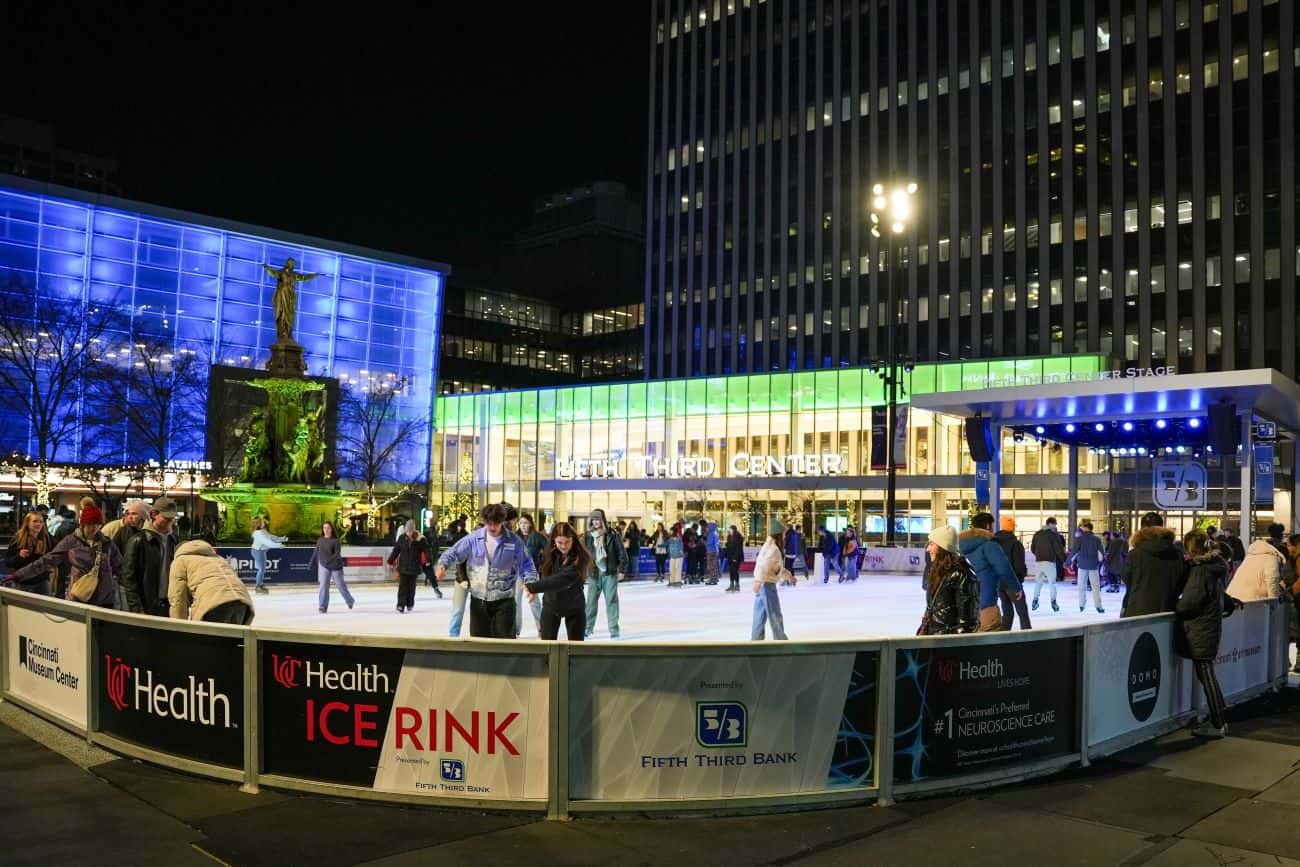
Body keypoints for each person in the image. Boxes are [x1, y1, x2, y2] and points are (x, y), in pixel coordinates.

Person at [436, 502, 538, 639]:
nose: (492, 527)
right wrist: (442, 565)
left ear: (502, 521)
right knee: (480, 645)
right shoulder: (473, 539)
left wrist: (531, 584)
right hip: (479, 600)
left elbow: (527, 564)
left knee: (505, 645)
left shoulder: (513, 541)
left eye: (496, 523)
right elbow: (453, 552)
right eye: (488, 523)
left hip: (504, 600)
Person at [1177, 528, 1235, 738]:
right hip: (1209, 625)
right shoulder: (1214, 567)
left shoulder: (1201, 571)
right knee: (1207, 672)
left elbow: (1190, 603)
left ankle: (1218, 722)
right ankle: (1219, 718)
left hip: (1200, 627)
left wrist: (1176, 606)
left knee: (1206, 673)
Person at [9, 505, 121, 608]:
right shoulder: (71, 541)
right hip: (79, 596)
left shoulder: (107, 543)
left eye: (97, 525)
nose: (94, 528)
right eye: (90, 524)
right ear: (83, 524)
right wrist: (19, 575)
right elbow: (47, 561)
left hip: (105, 599)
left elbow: (121, 567)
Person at [524, 521, 591, 640]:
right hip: (551, 604)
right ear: (554, 540)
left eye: (567, 542)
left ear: (573, 540)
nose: (564, 546)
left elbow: (561, 580)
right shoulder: (549, 553)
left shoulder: (580, 557)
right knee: (547, 647)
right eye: (560, 542)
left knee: (575, 648)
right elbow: (543, 574)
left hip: (574, 606)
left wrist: (533, 587)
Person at [959, 513, 1023, 632]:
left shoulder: (962, 547)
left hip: (966, 607)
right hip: (986, 604)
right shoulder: (989, 545)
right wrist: (1015, 587)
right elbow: (1004, 568)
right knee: (990, 642)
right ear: (988, 526)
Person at [168, 539, 255, 624]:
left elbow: (178, 597)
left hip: (214, 603)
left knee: (209, 637)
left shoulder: (180, 560)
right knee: (232, 638)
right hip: (242, 602)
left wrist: (179, 628)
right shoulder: (218, 558)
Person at [121, 497, 179, 617]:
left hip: (169, 603)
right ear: (153, 515)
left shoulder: (173, 540)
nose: (170, 522)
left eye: (172, 519)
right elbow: (129, 578)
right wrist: (136, 609)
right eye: (166, 518)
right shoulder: (138, 540)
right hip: (147, 605)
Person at [1121, 512, 1188, 617]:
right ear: (1162, 527)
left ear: (1141, 530)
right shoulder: (1177, 554)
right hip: (1168, 610)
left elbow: (1127, 578)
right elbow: (1182, 582)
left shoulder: (1135, 554)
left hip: (1138, 611)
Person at [920, 526, 979, 635]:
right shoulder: (937, 571)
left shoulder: (962, 574)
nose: (928, 549)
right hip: (933, 639)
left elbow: (967, 623)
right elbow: (932, 609)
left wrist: (952, 645)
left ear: (943, 547)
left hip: (947, 644)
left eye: (932, 544)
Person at [582, 508, 627, 638]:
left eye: (598, 519)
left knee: (611, 601)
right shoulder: (587, 536)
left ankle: (614, 629)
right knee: (590, 603)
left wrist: (622, 570)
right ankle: (587, 628)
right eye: (594, 519)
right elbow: (582, 555)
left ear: (603, 520)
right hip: (594, 573)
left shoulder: (612, 535)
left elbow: (622, 553)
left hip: (609, 573)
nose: (596, 522)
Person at [504, 504, 542, 637]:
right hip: (517, 574)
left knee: (534, 601)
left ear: (531, 524)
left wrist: (541, 565)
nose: (523, 525)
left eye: (526, 523)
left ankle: (542, 628)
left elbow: (548, 550)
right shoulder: (514, 536)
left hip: (531, 572)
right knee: (516, 601)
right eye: (521, 523)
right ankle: (516, 629)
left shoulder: (537, 537)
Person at [3, 511, 56, 595]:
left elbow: (56, 554)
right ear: (27, 523)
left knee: (44, 607)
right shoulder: (18, 539)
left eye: (41, 522)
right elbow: (8, 562)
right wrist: (19, 556)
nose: (38, 524)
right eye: (35, 521)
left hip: (42, 581)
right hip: (23, 582)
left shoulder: (48, 538)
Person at [993, 516, 1031, 630]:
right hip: (1012, 583)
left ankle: (1004, 637)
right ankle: (1027, 637)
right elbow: (1019, 565)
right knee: (1022, 612)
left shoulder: (993, 543)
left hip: (999, 583)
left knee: (1007, 612)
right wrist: (1019, 581)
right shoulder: (1016, 544)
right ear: (1013, 528)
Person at [309, 521, 354, 613]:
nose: (326, 530)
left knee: (340, 586)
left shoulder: (336, 541)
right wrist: (311, 562)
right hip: (324, 566)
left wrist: (327, 561)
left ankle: (350, 600)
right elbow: (316, 552)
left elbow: (337, 555)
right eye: (324, 528)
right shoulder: (320, 540)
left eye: (328, 528)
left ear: (331, 529)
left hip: (335, 566)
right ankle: (322, 606)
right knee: (323, 586)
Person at [751, 531, 789, 640]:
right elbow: (764, 566)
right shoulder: (774, 550)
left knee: (759, 615)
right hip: (767, 584)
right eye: (783, 535)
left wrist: (789, 577)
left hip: (763, 584)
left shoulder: (768, 546)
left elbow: (776, 569)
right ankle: (780, 640)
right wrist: (758, 581)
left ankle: (756, 640)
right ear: (779, 535)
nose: (785, 537)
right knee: (775, 614)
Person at [387, 520, 430, 613]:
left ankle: (410, 603)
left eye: (410, 531)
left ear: (414, 530)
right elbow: (396, 550)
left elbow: (426, 550)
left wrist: (428, 560)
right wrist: (390, 561)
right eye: (407, 531)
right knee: (402, 587)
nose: (409, 533)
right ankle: (400, 605)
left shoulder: (420, 539)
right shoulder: (402, 538)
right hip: (403, 566)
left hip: (414, 566)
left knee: (411, 587)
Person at [1226, 535, 1284, 602]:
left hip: (1235, 596)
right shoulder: (1271, 557)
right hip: (1252, 600)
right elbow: (1272, 580)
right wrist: (1274, 600)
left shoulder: (1251, 556)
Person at [1030, 518, 1067, 612]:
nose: (1055, 527)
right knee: (1052, 583)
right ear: (1051, 524)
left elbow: (1032, 548)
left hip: (1039, 562)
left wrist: (1039, 555)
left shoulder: (1037, 534)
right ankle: (1053, 602)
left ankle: (1035, 601)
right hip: (1049, 562)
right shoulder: (1052, 535)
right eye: (1055, 524)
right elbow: (1058, 549)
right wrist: (1064, 561)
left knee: (1038, 582)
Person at [1070, 519, 1106, 614]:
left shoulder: (1079, 539)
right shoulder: (1097, 539)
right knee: (1096, 587)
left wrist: (1068, 562)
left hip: (1082, 565)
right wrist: (1099, 562)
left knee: (1081, 586)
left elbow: (1074, 552)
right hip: (1093, 566)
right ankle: (1098, 606)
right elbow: (1101, 554)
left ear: (1085, 528)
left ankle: (1081, 605)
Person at [250, 516, 287, 595]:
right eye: (262, 521)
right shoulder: (258, 533)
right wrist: (279, 545)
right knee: (261, 569)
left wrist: (281, 539)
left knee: (262, 569)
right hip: (258, 551)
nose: (264, 522)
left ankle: (260, 584)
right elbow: (268, 542)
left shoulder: (263, 531)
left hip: (261, 551)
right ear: (259, 523)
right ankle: (258, 586)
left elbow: (271, 537)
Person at [422, 519, 443, 596]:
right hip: (429, 553)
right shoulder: (429, 532)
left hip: (431, 553)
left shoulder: (433, 531)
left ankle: (432, 584)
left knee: (430, 569)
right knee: (429, 569)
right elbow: (428, 543)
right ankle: (433, 584)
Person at [724, 525, 745, 592]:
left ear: (734, 530)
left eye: (730, 529)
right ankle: (731, 585)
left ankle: (737, 585)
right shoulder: (729, 536)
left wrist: (735, 557)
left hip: (736, 557)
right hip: (730, 556)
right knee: (731, 571)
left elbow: (739, 549)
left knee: (735, 571)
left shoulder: (739, 537)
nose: (729, 531)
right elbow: (728, 546)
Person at [666, 522, 685, 587]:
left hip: (678, 556)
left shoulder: (678, 539)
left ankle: (677, 581)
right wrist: (657, 546)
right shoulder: (670, 539)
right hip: (672, 556)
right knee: (671, 568)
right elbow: (665, 544)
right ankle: (672, 581)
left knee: (677, 568)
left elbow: (681, 546)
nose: (669, 532)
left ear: (673, 531)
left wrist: (681, 552)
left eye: (670, 531)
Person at [704, 521, 721, 585]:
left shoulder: (711, 533)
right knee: (714, 565)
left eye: (708, 526)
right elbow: (717, 542)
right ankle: (715, 578)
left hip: (711, 551)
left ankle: (712, 579)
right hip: (715, 551)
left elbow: (710, 542)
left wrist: (704, 543)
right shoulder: (716, 533)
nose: (707, 528)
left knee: (711, 566)